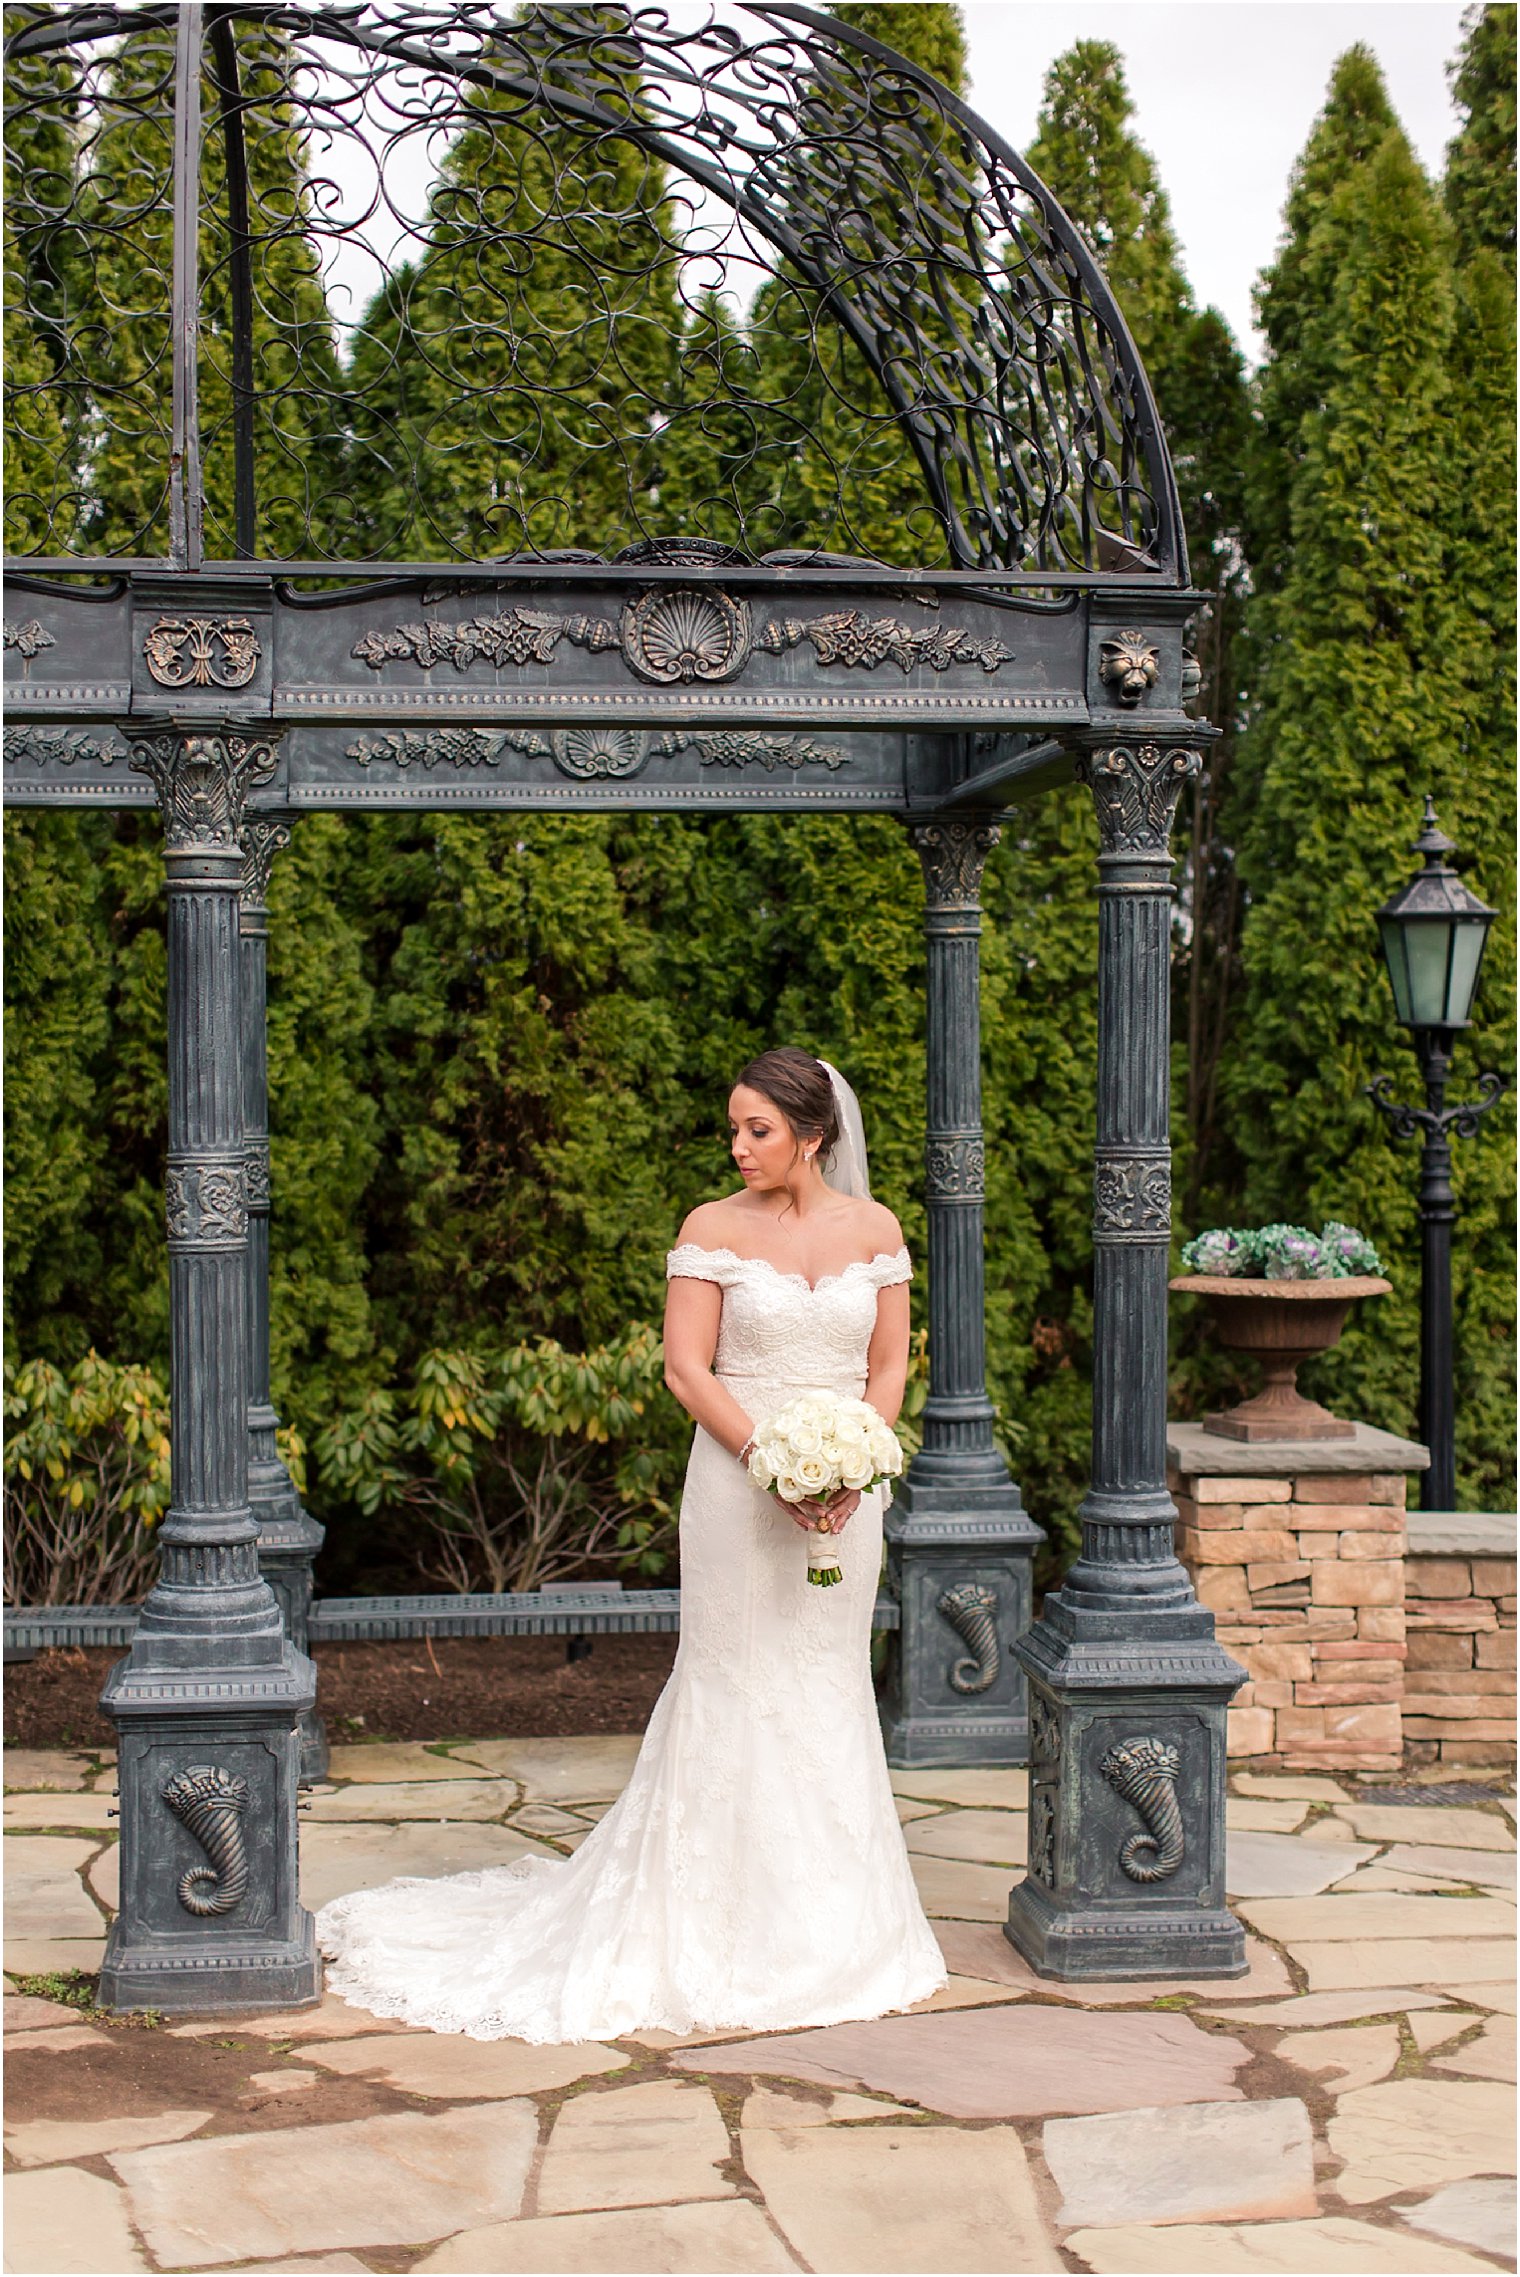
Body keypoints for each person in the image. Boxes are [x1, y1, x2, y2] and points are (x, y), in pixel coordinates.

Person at [316, 1047, 947, 2041]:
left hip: (844, 1498)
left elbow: (884, 1368)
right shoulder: (709, 1228)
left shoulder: (875, 1230)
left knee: (825, 1680)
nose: (737, 1146)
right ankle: (712, 1931)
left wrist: (853, 1465)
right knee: (735, 1679)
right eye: (733, 1128)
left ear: (811, 1136)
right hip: (742, 1487)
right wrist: (776, 1468)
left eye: (758, 1130)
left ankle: (835, 1932)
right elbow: (686, 1370)